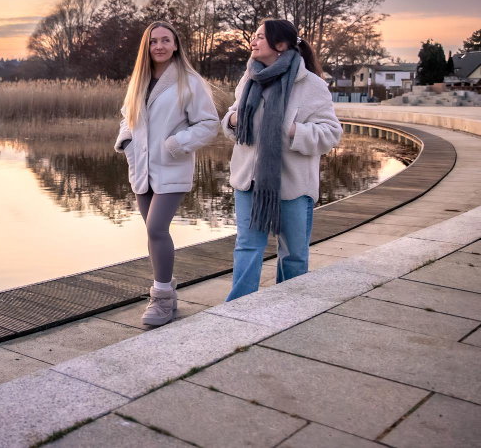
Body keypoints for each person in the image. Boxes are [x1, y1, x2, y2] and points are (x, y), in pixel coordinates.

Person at [222, 18, 342, 301]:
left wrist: (290, 130)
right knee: (247, 248)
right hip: (249, 181)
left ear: (280, 44)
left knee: (294, 254)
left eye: (260, 37)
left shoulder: (311, 84)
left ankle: (289, 308)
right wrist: (235, 119)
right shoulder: (249, 78)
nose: (253, 41)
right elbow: (232, 118)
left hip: (292, 185)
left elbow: (331, 134)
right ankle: (237, 310)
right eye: (254, 36)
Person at [115, 21, 219, 325]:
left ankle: (160, 298)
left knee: (156, 228)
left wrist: (176, 144)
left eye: (165, 40)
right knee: (152, 232)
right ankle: (167, 297)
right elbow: (127, 116)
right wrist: (127, 140)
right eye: (153, 41)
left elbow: (209, 123)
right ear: (146, 47)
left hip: (171, 164)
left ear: (176, 45)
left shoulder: (189, 81)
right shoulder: (139, 81)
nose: (159, 46)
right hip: (142, 167)